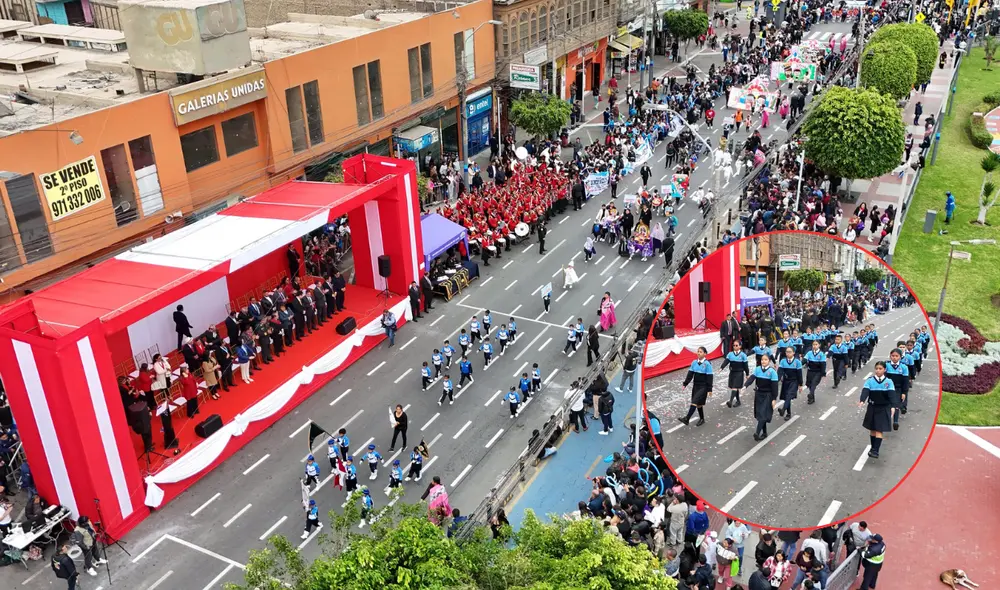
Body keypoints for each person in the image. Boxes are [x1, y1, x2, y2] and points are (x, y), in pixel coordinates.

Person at [858, 361, 894, 459]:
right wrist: (862, 400)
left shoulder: (889, 382)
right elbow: (865, 391)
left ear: (884, 370)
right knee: (872, 429)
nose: (878, 370)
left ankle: (876, 451)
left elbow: (891, 395)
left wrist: (893, 406)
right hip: (872, 407)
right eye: (876, 368)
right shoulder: (870, 380)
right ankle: (873, 447)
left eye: (880, 369)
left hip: (883, 408)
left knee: (879, 429)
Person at [678, 347, 713, 426]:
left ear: (705, 354)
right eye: (698, 351)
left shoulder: (707, 364)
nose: (698, 353)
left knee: (694, 402)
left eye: (701, 352)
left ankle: (687, 418)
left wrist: (709, 389)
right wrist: (685, 384)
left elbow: (710, 377)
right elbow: (690, 374)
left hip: (703, 387)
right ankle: (702, 419)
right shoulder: (694, 362)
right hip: (696, 386)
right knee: (698, 404)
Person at [720, 341, 750, 408]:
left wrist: (747, 374)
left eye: (736, 345)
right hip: (732, 372)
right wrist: (721, 367)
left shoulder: (743, 355)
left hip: (739, 373)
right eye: (734, 345)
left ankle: (730, 401)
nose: (735, 347)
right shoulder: (730, 354)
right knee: (735, 387)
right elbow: (726, 361)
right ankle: (738, 401)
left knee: (735, 387)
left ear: (740, 346)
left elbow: (746, 366)